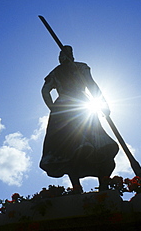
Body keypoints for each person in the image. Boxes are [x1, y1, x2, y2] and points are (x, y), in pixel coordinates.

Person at [40, 45, 119, 193]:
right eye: (60, 55)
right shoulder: (62, 71)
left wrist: (53, 107)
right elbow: (92, 86)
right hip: (77, 105)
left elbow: (45, 91)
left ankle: (100, 182)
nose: (60, 58)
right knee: (70, 148)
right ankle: (78, 185)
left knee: (89, 144)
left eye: (62, 55)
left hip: (72, 107)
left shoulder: (78, 68)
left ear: (69, 55)